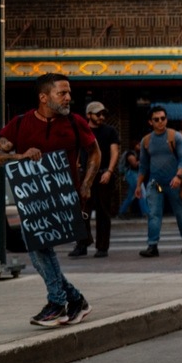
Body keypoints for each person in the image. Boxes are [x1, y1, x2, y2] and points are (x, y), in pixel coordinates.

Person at [0, 73, 98, 328]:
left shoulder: (75, 122)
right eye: (62, 93)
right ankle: (73, 300)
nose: (68, 98)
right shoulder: (20, 124)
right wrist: (20, 155)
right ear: (43, 97)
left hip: (65, 196)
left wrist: (86, 184)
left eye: (69, 92)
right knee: (40, 248)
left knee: (41, 248)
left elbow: (94, 151)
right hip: (33, 198)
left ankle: (57, 303)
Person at [136, 107, 182, 256]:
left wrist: (178, 176)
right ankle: (152, 246)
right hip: (155, 183)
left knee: (180, 212)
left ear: (166, 119)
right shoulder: (146, 140)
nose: (160, 122)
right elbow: (143, 165)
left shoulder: (175, 136)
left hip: (173, 182)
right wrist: (138, 185)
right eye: (156, 119)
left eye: (163, 118)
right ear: (150, 122)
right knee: (154, 214)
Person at [82, 102, 121, 258]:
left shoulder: (110, 131)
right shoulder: (82, 131)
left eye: (103, 114)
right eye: (98, 114)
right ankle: (82, 243)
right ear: (89, 115)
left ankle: (102, 247)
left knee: (103, 212)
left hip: (103, 173)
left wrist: (110, 171)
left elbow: (115, 152)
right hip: (84, 174)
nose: (102, 117)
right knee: (82, 210)